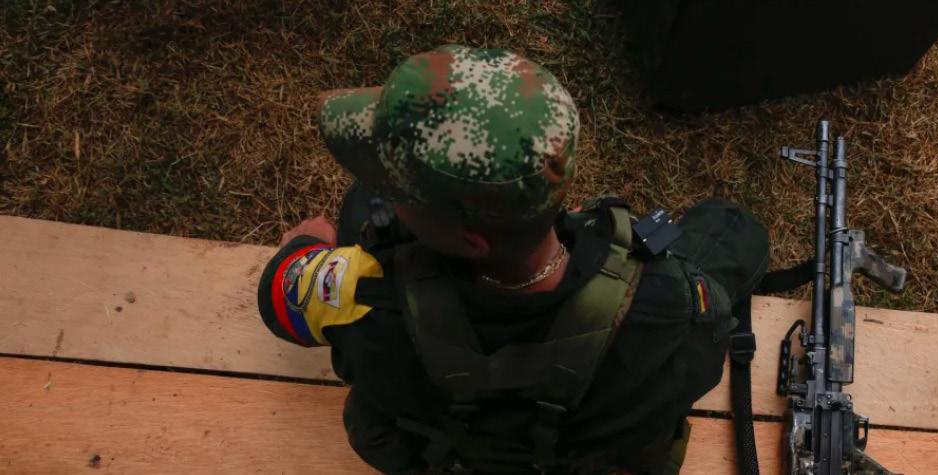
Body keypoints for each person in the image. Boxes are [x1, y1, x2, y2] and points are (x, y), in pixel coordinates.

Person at [257, 45, 769, 474]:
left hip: (441, 448)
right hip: (587, 451)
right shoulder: (672, 311)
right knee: (731, 226)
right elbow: (699, 362)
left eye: (400, 193)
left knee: (360, 206)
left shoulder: (366, 302)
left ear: (472, 242)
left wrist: (308, 245)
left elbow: (279, 298)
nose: (388, 196)